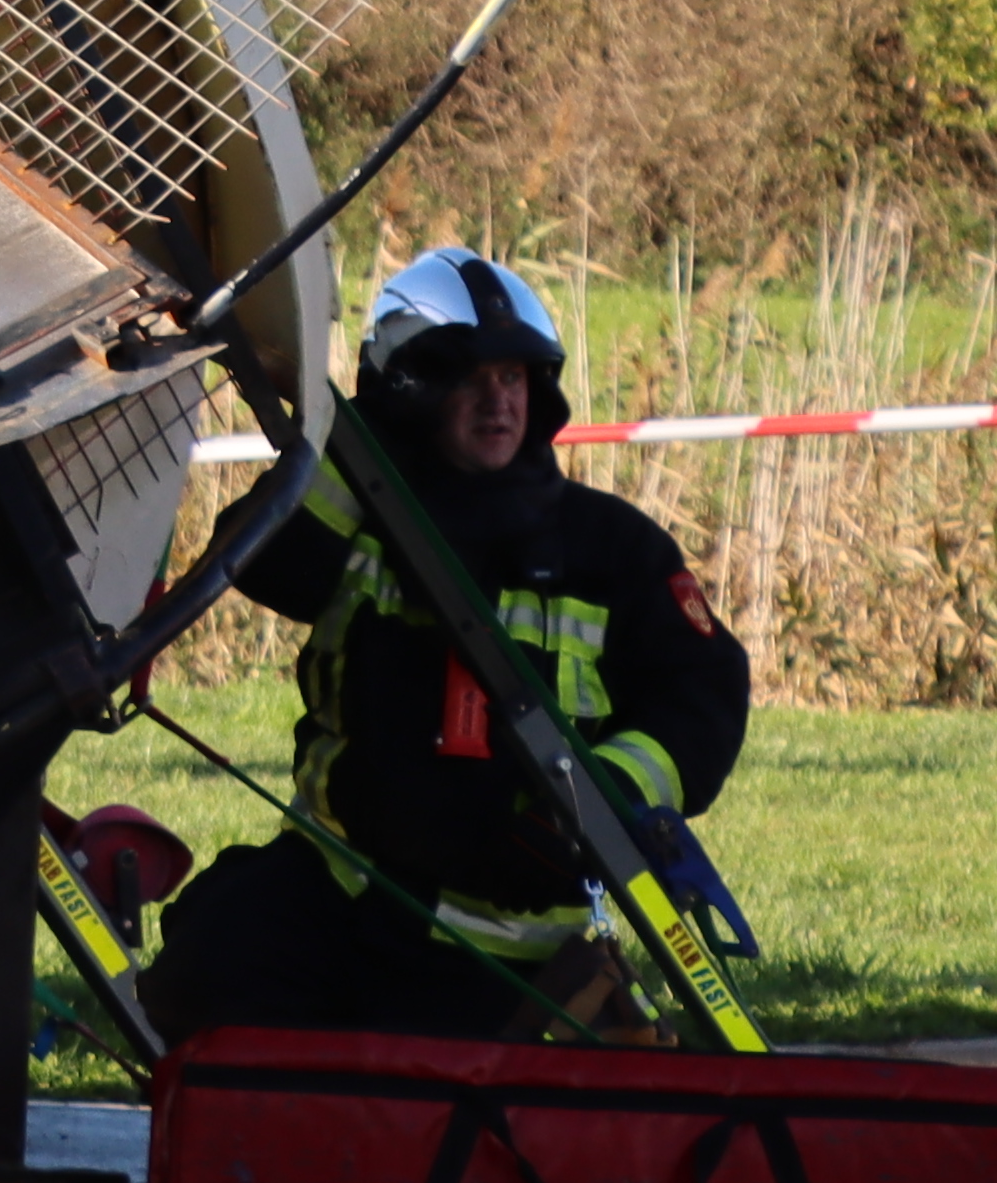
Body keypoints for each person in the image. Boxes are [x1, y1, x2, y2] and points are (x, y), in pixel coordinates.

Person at [152, 250, 753, 1043]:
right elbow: (266, 561)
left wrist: (603, 794)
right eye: (469, 380)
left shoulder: (617, 550)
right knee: (208, 964)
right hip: (354, 892)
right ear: (414, 390)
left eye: (513, 379)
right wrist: (363, 444)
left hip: (518, 943)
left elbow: (702, 699)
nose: (498, 403)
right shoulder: (363, 510)